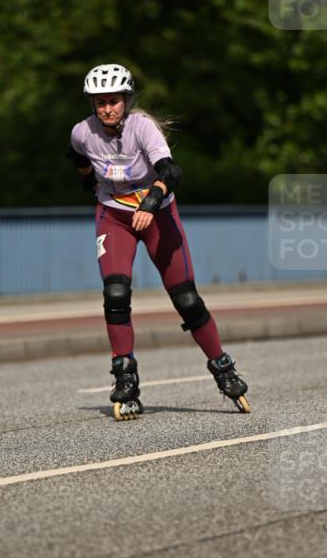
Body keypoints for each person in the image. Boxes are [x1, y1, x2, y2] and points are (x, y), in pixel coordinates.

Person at [67, 63, 249, 419]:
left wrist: (151, 202)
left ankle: (222, 367)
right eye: (100, 102)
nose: (107, 108)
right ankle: (125, 378)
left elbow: (171, 171)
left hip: (158, 213)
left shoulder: (142, 128)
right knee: (115, 293)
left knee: (186, 299)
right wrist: (88, 182)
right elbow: (77, 158)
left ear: (126, 100)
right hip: (113, 215)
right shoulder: (82, 132)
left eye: (114, 101)